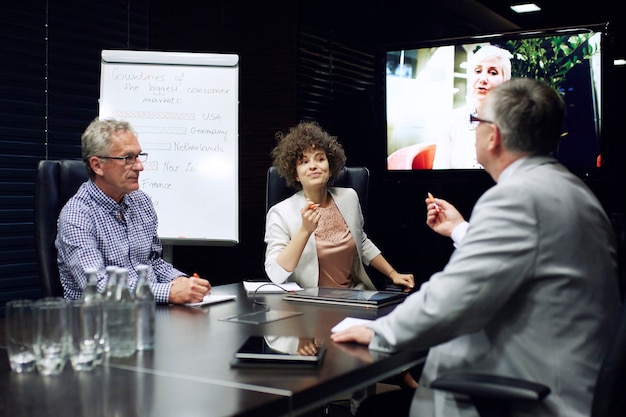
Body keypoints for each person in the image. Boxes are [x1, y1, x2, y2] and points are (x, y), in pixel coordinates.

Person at [331, 78, 621, 417]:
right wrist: (460, 229)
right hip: (567, 379)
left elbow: (453, 298)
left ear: (494, 135)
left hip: (527, 393)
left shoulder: (516, 198)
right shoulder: (569, 192)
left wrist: (378, 331)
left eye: (476, 121)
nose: (474, 130)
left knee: (373, 412)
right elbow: (531, 261)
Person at [56, 117, 211, 304]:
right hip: (99, 323)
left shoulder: (141, 201)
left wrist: (181, 281)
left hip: (149, 314)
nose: (139, 166)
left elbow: (153, 262)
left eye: (138, 156)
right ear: (97, 165)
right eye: (127, 158)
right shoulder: (76, 217)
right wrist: (170, 292)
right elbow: (100, 288)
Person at [264, 120, 415, 292]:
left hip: (354, 297)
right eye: (304, 162)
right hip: (309, 304)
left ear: (330, 165)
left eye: (320, 159)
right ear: (295, 174)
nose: (313, 166)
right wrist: (305, 231)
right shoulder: (280, 213)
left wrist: (393, 273)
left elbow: (362, 242)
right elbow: (275, 275)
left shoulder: (349, 197)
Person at [432, 44, 512, 169]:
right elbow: (439, 177)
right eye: (478, 71)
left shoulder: (517, 122)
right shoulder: (451, 120)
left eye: (492, 72)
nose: (483, 79)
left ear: (505, 81)